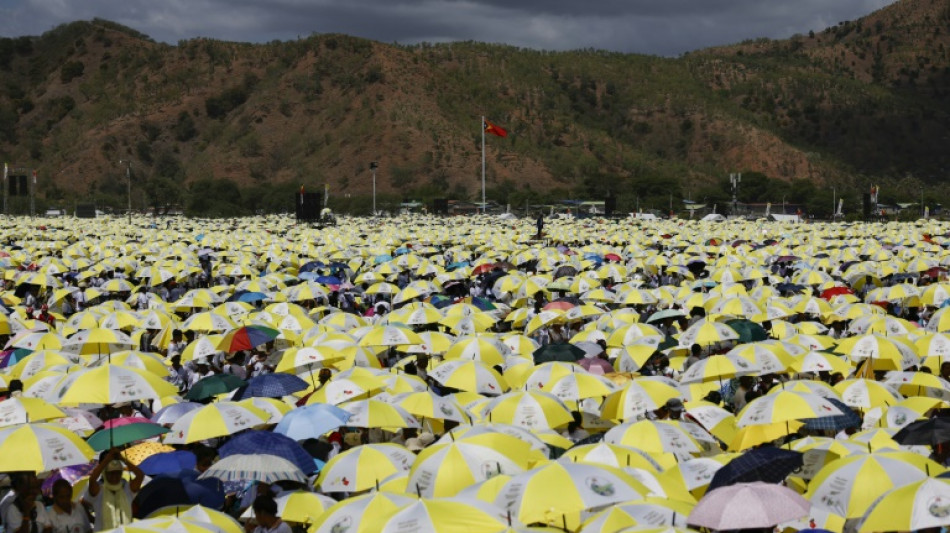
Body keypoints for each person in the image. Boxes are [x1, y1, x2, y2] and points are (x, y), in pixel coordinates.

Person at [85, 449, 144, 530]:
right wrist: (107, 460)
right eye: (111, 473)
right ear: (105, 473)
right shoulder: (99, 490)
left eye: (118, 472)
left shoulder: (126, 489)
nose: (115, 476)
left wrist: (122, 459)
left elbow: (140, 475)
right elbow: (92, 479)